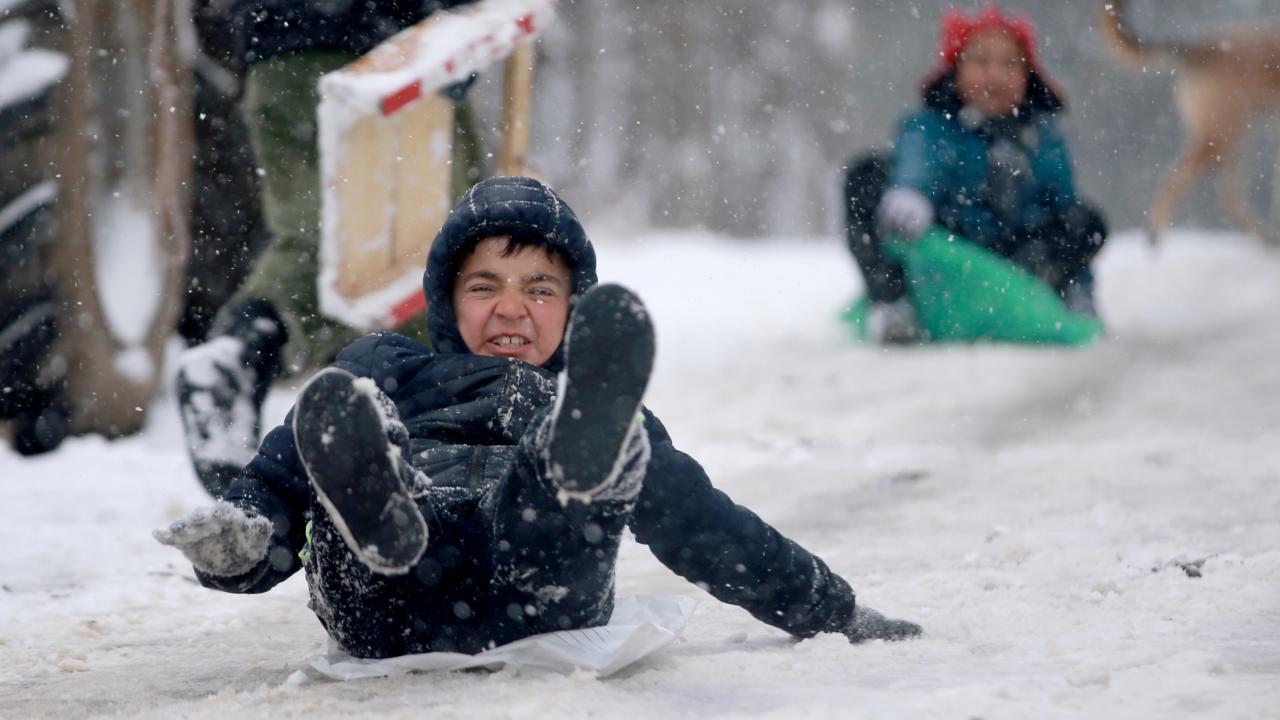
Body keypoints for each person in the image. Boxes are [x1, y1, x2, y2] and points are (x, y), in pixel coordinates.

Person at [155, 176, 921, 659]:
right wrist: (240, 544)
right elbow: (277, 483)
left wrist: (831, 606)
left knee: (560, 478)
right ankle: (382, 507)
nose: (512, 308)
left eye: (540, 289)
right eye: (485, 286)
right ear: (447, 301)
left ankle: (565, 474)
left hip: (539, 591)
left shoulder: (589, 401)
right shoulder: (386, 367)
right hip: (385, 597)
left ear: (574, 307)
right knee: (368, 454)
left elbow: (705, 526)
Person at [176, 0, 486, 497]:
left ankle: (240, 353)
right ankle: (428, 441)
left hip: (277, 49)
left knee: (313, 242)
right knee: (427, 249)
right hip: (397, 52)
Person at [844, 5, 1108, 343]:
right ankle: (894, 304)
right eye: (980, 62)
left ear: (1028, 76)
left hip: (1017, 258)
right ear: (956, 71)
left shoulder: (1044, 138)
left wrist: (1079, 284)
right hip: (951, 250)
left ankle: (1055, 298)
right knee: (865, 178)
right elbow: (918, 157)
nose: (994, 76)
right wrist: (912, 191)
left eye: (1009, 64)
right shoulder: (934, 124)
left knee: (1086, 223)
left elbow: (1065, 205)